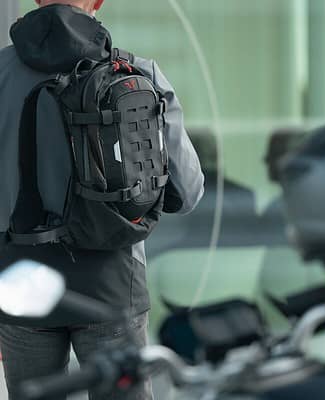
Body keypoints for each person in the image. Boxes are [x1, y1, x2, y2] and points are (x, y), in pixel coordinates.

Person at [0, 0, 204, 399]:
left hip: (21, 285)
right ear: (97, 1)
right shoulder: (137, 72)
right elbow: (188, 192)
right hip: (113, 285)